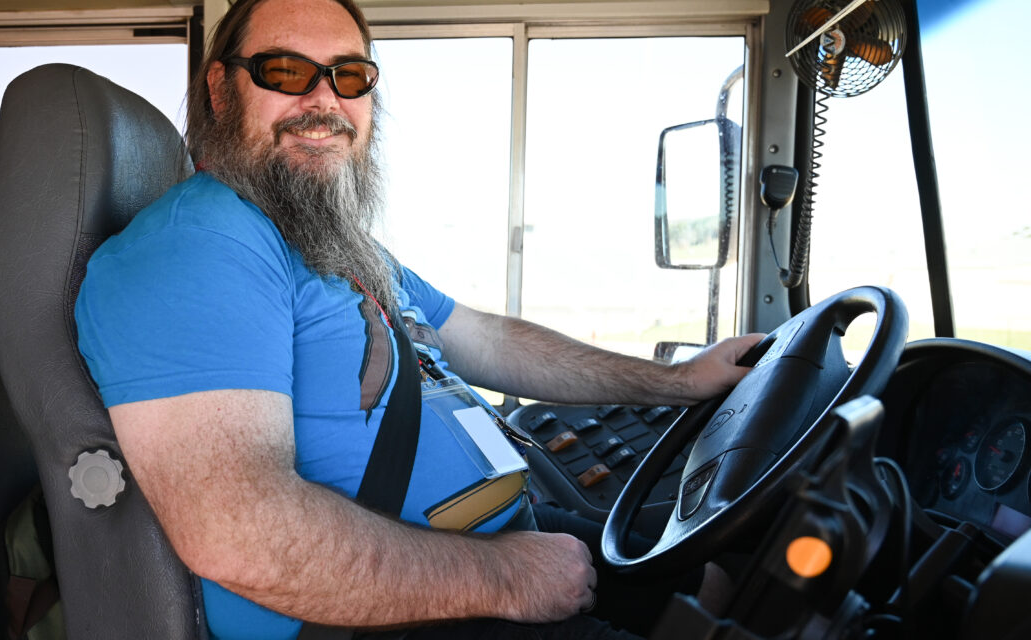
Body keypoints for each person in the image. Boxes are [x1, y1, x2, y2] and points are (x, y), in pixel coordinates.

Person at [73, 0, 763, 637]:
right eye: (285, 71)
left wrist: (678, 381)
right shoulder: (195, 247)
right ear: (221, 92)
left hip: (484, 548)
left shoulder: (330, 241)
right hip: (389, 613)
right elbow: (241, 535)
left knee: (732, 577)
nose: (323, 101)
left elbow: (487, 340)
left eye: (350, 76)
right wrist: (505, 576)